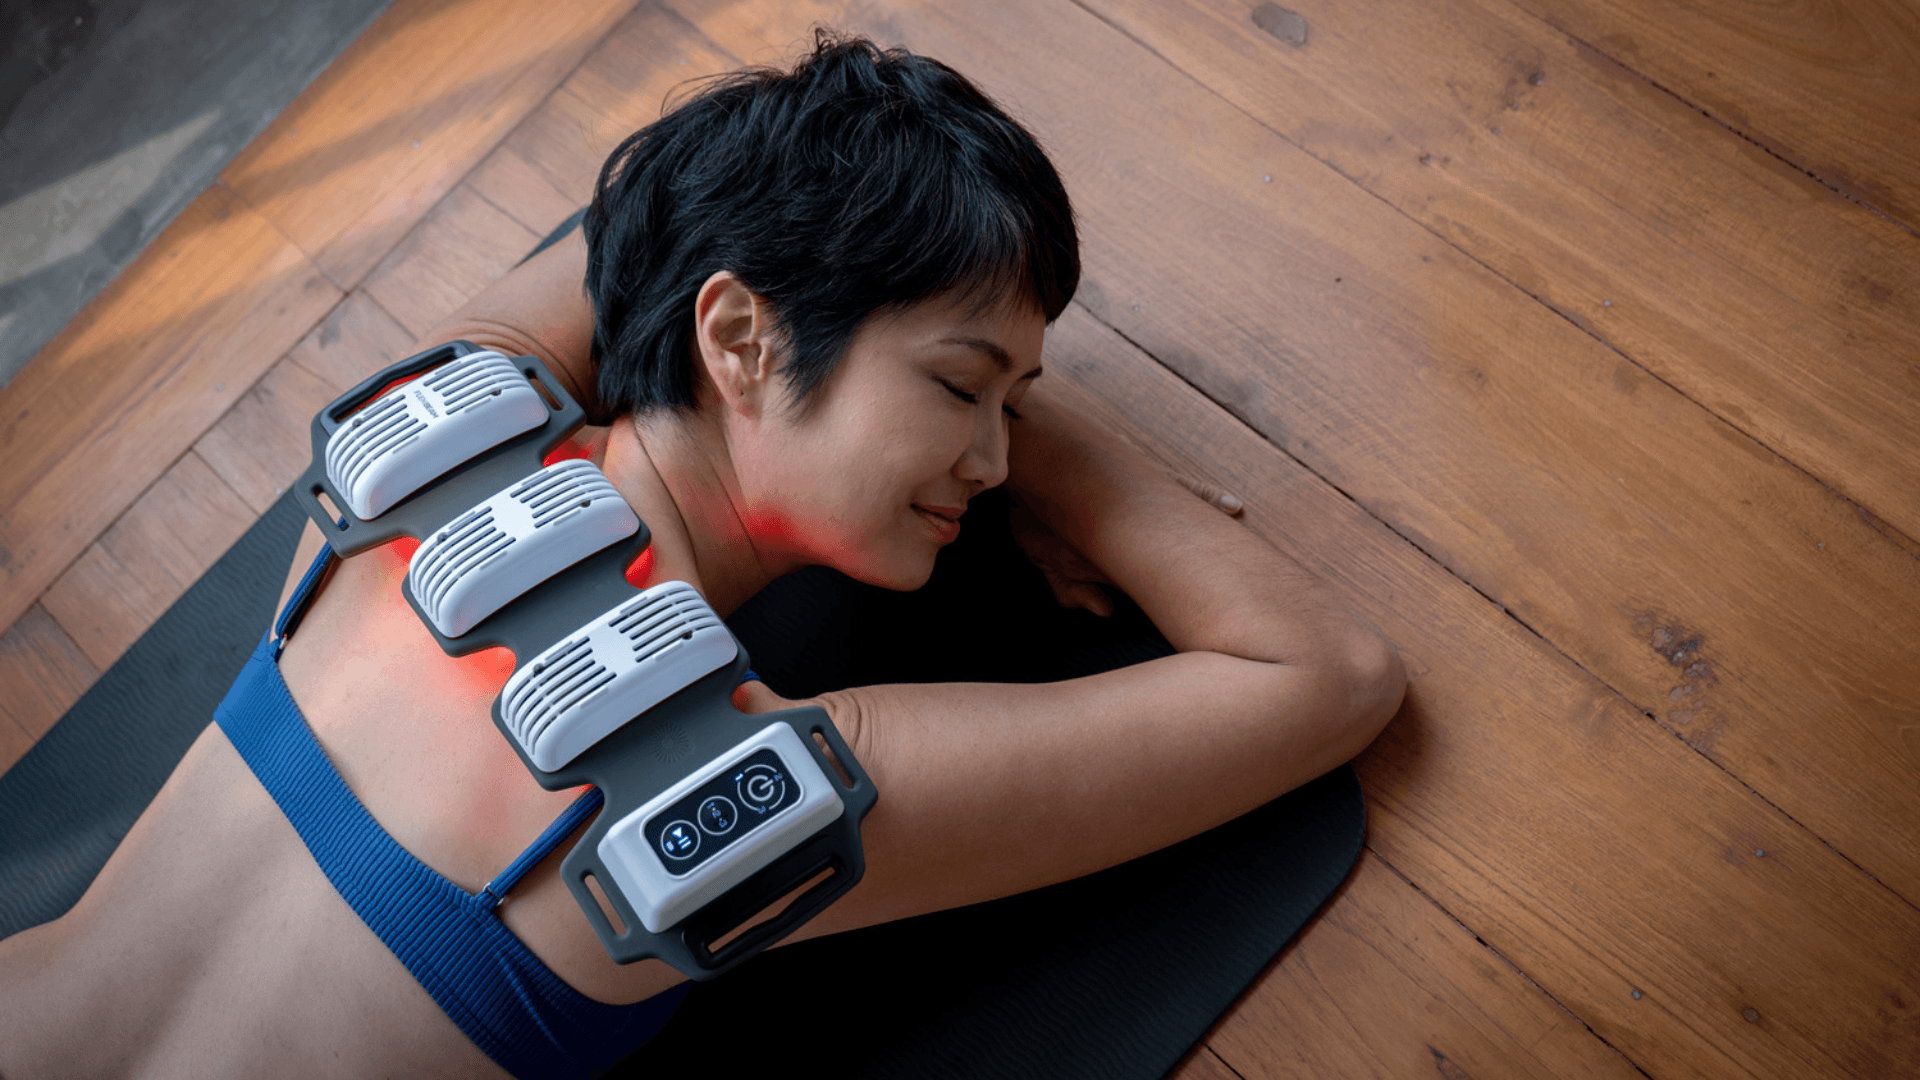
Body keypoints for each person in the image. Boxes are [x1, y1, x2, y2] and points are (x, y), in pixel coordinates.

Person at [0, 32, 1406, 1079]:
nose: (988, 458)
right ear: (734, 336)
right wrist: (1068, 465)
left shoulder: (401, 467)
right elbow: (1329, 675)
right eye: (965, 388)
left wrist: (950, 372)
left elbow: (630, 231)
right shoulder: (769, 796)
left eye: (1013, 411)